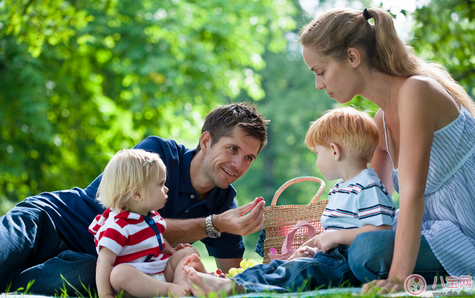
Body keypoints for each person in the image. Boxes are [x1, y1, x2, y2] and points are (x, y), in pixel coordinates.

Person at [0, 102, 268, 295]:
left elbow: (227, 280)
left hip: (87, 262)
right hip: (49, 221)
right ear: (207, 141)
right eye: (232, 149)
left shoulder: (225, 207)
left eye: (248, 158)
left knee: (95, 278)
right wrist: (212, 224)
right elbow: (113, 214)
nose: (238, 165)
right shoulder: (156, 156)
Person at [299, 7, 475, 294]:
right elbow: (372, 209)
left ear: (353, 57)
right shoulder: (380, 120)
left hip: (464, 236)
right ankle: (249, 282)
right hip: (429, 232)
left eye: (321, 72)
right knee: (349, 246)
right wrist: (328, 236)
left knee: (366, 251)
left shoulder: (416, 92)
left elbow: (412, 195)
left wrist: (397, 278)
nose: (319, 85)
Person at [182, 107, 396, 296]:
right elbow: (338, 234)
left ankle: (238, 289)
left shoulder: (368, 185)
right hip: (332, 259)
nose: (317, 160)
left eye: (317, 153)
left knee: (299, 273)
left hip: (346, 265)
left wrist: (336, 237)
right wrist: (313, 248)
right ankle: (225, 281)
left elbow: (381, 233)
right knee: (277, 266)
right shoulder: (343, 187)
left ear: (334, 151)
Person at [90, 149, 199, 298]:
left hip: (158, 270)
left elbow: (158, 238)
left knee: (188, 253)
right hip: (135, 282)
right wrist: (105, 294)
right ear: (137, 194)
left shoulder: (152, 216)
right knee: (119, 274)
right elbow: (103, 262)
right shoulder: (117, 226)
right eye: (160, 184)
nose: (166, 189)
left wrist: (172, 252)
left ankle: (180, 286)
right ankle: (169, 289)